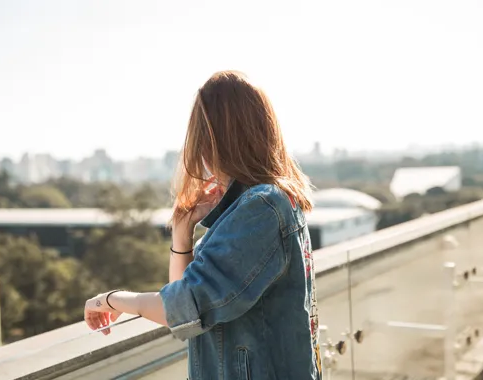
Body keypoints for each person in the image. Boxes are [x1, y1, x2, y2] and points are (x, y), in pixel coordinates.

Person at [84, 70, 321, 380]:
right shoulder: (271, 200)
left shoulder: (261, 207)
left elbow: (184, 307)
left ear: (212, 139)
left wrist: (111, 300)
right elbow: (186, 306)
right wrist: (182, 236)